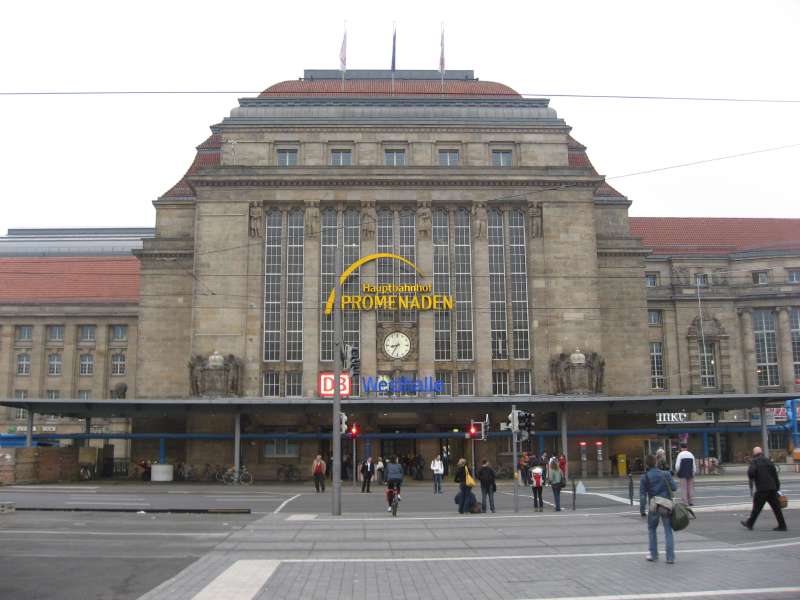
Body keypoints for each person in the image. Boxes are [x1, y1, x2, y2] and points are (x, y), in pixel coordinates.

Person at [640, 453, 678, 564]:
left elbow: (642, 496)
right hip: (666, 504)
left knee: (652, 529)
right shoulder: (665, 474)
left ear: (646, 464)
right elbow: (674, 488)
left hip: (653, 505)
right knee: (668, 531)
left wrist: (642, 511)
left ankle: (653, 554)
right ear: (656, 462)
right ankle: (670, 557)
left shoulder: (645, 477)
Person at [741, 446, 787, 532]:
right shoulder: (769, 461)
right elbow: (775, 476)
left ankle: (749, 524)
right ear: (762, 452)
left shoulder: (754, 461)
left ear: (754, 453)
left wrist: (752, 476)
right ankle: (782, 525)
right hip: (772, 488)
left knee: (756, 508)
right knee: (777, 508)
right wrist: (777, 488)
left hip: (762, 489)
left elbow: (751, 473)